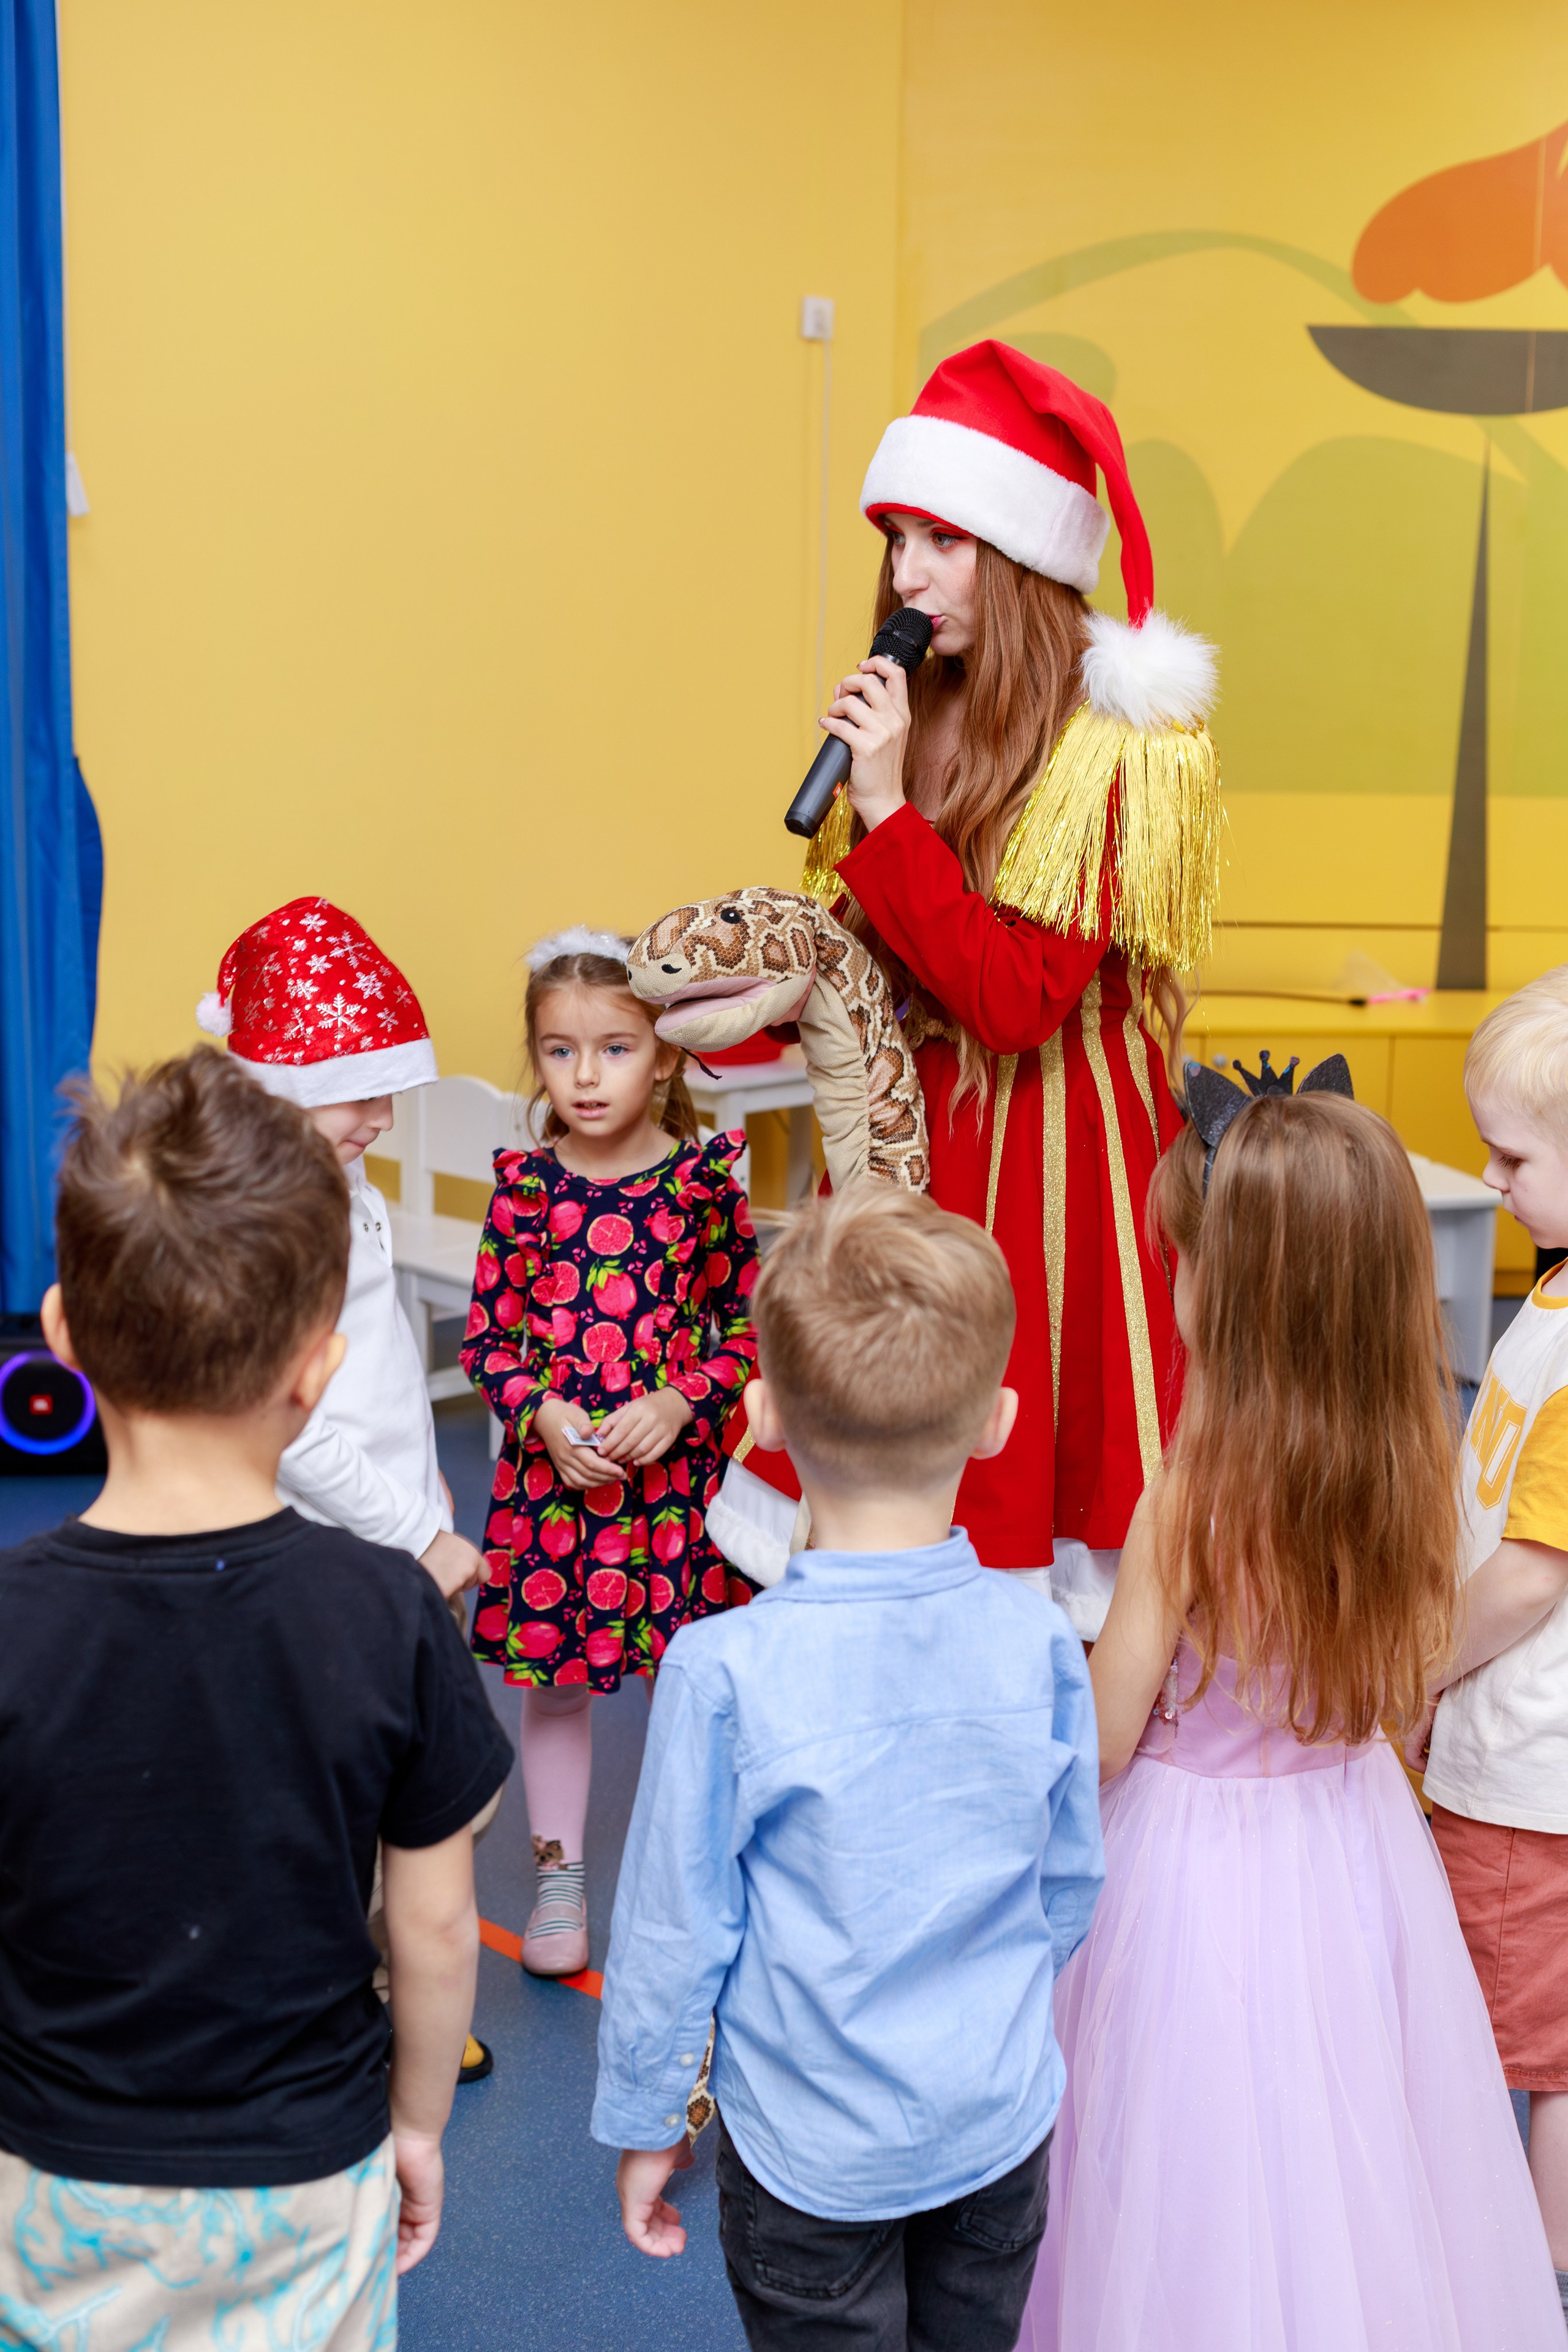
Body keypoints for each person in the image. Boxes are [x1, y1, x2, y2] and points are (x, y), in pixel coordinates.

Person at [1019, 1073, 1563, 2350]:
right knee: (1347, 2123)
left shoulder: (1189, 1501)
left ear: (1227, 1292)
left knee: (1187, 2140)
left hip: (1189, 1865)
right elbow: (1395, 1678)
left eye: (1182, 1262)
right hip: (1349, 1841)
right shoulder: (1407, 1468)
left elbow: (1104, 1734)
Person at [0, 1050, 514, 2347]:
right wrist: (415, 2126)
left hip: (47, 2176)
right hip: (305, 2171)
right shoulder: (389, 1616)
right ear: (318, 1367)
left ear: (62, 1337)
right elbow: (437, 1930)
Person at [720, 339, 1221, 1636]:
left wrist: (884, 809)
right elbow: (874, 932)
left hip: (1058, 1155)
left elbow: (1010, 1002)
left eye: (939, 539)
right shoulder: (920, 706)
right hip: (913, 1127)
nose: (903, 573)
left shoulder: (1120, 748)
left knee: (1030, 1550)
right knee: (869, 1498)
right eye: (895, 537)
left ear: (1018, 554)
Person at [594, 1184, 1102, 2352]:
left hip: (809, 2153)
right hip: (995, 2123)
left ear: (760, 1417)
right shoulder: (1037, 1639)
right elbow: (1068, 1878)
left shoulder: (724, 1667)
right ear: (999, 1423)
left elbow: (677, 1928)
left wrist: (651, 2118)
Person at [197, 895, 496, 2084]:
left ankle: (385, 1971)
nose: (379, 1115)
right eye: (352, 1090)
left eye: (389, 1088)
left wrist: (427, 1510)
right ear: (271, 1084)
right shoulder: (276, 1221)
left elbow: (380, 1395)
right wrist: (417, 1531)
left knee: (396, 1768)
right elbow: (299, 1424)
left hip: (399, 1538)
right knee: (334, 1780)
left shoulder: (351, 1197)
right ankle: (335, 1997)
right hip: (340, 1553)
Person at [461, 930, 758, 1979]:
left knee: (688, 1685)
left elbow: (747, 1329)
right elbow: (487, 1342)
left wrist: (685, 1400)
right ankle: (559, 1880)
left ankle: (688, 1885)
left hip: (675, 1498)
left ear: (666, 1057)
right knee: (558, 1688)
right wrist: (539, 1415)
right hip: (557, 1500)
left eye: (616, 1050)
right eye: (559, 1052)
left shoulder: (705, 1185)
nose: (585, 1077)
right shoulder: (525, 1190)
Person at [1422, 968, 1568, 2327]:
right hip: (1508, 1751)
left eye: (1513, 1155)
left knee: (1521, 2056)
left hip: (1522, 1771)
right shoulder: (1556, 1296)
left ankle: (1517, 2292)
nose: (1488, 1172)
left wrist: (1406, 1675)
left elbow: (1525, 1580)